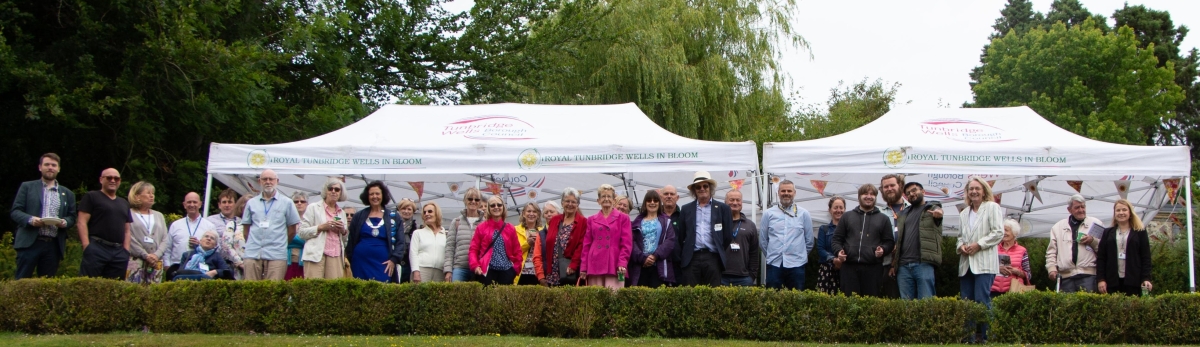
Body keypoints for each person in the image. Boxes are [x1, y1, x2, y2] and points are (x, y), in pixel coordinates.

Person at [10, 153, 76, 279]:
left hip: (53, 245)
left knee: (47, 285)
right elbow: (15, 211)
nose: (50, 167)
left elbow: (72, 217)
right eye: (47, 164)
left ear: (59, 169)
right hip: (30, 242)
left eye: (54, 165)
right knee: (21, 282)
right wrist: (30, 220)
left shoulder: (68, 193)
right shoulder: (27, 187)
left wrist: (64, 222)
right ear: (40, 167)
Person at [956, 176, 1004, 344]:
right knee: (966, 303)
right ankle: (967, 338)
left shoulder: (992, 207)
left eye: (977, 188)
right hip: (966, 264)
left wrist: (979, 245)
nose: (974, 191)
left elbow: (998, 232)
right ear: (967, 193)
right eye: (971, 189)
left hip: (984, 263)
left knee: (982, 300)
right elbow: (960, 237)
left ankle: (987, 337)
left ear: (984, 191)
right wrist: (961, 246)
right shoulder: (963, 213)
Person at [831, 184, 894, 296]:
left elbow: (889, 242)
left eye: (872, 194)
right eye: (865, 194)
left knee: (870, 305)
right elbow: (836, 239)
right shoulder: (847, 216)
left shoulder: (883, 219)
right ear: (859, 196)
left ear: (875, 197)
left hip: (873, 269)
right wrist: (838, 251)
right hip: (849, 268)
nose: (869, 196)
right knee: (849, 304)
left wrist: (883, 249)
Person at [240, 169, 302, 281]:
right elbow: (246, 230)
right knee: (250, 290)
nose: (268, 182)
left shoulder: (287, 202)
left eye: (271, 179)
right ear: (259, 181)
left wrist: (281, 244)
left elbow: (292, 230)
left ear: (277, 181)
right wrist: (253, 243)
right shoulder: (251, 203)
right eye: (264, 179)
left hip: (277, 254)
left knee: (273, 291)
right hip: (253, 253)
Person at [676, 171, 734, 287]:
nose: (702, 189)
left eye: (705, 186)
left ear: (710, 188)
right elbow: (681, 235)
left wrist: (718, 248)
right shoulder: (686, 209)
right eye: (698, 187)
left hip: (712, 257)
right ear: (694, 190)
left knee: (713, 296)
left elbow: (727, 235)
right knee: (690, 295)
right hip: (691, 258)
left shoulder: (723, 208)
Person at [78, 168, 132, 279]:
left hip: (118, 251)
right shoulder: (92, 196)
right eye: (109, 178)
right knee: (89, 285)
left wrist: (125, 251)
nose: (113, 180)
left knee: (114, 288)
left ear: (120, 181)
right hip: (97, 247)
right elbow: (81, 222)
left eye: (116, 178)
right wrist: (86, 246)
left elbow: (127, 230)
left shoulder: (124, 203)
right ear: (101, 179)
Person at [892, 182, 944, 300]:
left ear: (923, 192)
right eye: (908, 193)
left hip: (923, 263)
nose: (911, 194)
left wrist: (939, 214)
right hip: (903, 266)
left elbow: (939, 212)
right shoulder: (903, 214)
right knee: (907, 307)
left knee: (926, 304)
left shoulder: (932, 208)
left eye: (914, 190)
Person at [347, 181, 407, 282]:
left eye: (377, 193)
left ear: (383, 195)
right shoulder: (358, 216)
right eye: (371, 194)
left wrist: (394, 260)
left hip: (384, 264)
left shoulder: (393, 217)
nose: (375, 196)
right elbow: (351, 240)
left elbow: (401, 242)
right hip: (359, 263)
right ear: (367, 196)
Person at [759, 181, 811, 290]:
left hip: (797, 265)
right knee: (772, 301)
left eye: (789, 191)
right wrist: (771, 254)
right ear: (778, 193)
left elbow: (809, 241)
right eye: (783, 191)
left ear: (794, 193)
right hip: (775, 264)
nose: (786, 193)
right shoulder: (768, 214)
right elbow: (763, 240)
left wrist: (800, 256)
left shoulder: (804, 214)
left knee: (796, 300)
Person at [1046, 194, 1103, 293]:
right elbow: (1051, 252)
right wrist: (1051, 268)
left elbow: (1104, 251)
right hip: (1065, 277)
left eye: (1083, 207)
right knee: (1066, 307)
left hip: (1089, 275)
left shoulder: (1096, 223)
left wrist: (1092, 241)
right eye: (1077, 207)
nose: (1081, 210)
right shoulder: (1058, 227)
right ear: (1069, 210)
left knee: (1088, 307)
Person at [1097, 199, 1153, 296]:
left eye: (1124, 210)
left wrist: (1146, 278)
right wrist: (1101, 279)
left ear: (1130, 213)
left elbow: (1146, 257)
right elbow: (1101, 258)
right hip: (1112, 281)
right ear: (1114, 213)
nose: (1121, 213)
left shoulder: (1140, 232)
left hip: (1133, 281)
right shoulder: (1107, 233)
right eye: (1118, 210)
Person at [580, 184, 633, 290]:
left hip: (615, 264)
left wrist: (622, 262)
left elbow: (626, 243)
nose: (606, 199)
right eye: (603, 196)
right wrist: (584, 267)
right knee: (596, 299)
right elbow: (586, 245)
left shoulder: (623, 218)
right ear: (598, 201)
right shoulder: (591, 219)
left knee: (613, 298)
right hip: (594, 263)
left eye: (609, 196)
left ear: (614, 200)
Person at [537, 188, 588, 286]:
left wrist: (573, 265)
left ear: (577, 205)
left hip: (570, 268)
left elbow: (581, 246)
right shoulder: (554, 220)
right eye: (567, 201)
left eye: (573, 202)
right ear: (562, 203)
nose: (570, 204)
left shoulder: (583, 222)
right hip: (553, 268)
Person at [299, 179, 348, 279]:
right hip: (315, 254)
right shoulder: (313, 207)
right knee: (313, 288)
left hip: (336, 255)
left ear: (340, 193)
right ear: (326, 191)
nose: (333, 191)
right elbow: (302, 233)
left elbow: (345, 240)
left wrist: (343, 230)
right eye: (330, 189)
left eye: (337, 189)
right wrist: (321, 227)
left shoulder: (341, 213)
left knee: (333, 289)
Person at [469, 196, 521, 285]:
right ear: (489, 208)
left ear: (503, 207)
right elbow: (473, 249)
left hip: (507, 272)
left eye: (499, 205)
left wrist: (515, 269)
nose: (496, 207)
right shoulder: (481, 227)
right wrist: (475, 266)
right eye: (493, 205)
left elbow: (517, 251)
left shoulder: (510, 228)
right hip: (487, 271)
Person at [628, 190, 676, 287]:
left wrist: (655, 256)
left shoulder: (666, 221)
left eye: (655, 200)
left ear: (659, 203)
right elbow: (631, 242)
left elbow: (670, 241)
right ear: (645, 203)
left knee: (658, 298)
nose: (652, 203)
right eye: (649, 200)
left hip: (659, 266)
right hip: (641, 265)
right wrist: (643, 258)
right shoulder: (636, 222)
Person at [126, 181, 168, 284]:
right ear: (137, 196)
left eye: (153, 193)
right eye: (148, 193)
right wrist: (145, 255)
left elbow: (165, 238)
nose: (151, 196)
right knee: (133, 292)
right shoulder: (128, 213)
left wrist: (156, 255)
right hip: (135, 260)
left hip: (156, 261)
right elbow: (129, 237)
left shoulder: (159, 215)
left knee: (153, 294)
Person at [165, 192, 216, 271]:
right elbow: (167, 248)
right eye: (189, 202)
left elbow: (214, 249)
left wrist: (200, 245)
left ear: (200, 204)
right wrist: (167, 266)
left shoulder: (209, 226)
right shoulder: (175, 225)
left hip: (200, 269)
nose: (192, 205)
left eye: (195, 202)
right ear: (184, 205)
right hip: (177, 267)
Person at [876, 174, 908, 298]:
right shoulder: (878, 212)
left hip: (907, 262)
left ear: (900, 186)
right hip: (886, 263)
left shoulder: (912, 209)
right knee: (891, 302)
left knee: (909, 302)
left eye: (892, 185)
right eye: (886, 187)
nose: (889, 188)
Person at [719, 190, 760, 286]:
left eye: (738, 200)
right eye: (731, 200)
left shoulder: (750, 225)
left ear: (742, 203)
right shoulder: (718, 222)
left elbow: (754, 252)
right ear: (725, 202)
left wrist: (752, 275)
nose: (735, 203)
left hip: (744, 278)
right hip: (721, 276)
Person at [444, 187, 485, 282]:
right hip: (460, 267)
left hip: (479, 268)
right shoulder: (456, 222)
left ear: (480, 202)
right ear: (465, 200)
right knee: (457, 295)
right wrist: (448, 270)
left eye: (477, 199)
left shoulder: (485, 223)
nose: (473, 201)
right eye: (470, 199)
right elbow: (450, 247)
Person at [205, 188, 243, 277]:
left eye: (230, 202)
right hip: (216, 262)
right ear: (219, 205)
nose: (227, 205)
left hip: (236, 264)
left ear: (235, 204)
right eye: (224, 202)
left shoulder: (241, 222)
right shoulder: (210, 221)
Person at [991, 219, 1031, 297]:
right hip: (992, 290)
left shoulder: (1022, 250)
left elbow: (1028, 274)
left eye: (1006, 230)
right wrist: (997, 268)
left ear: (1014, 233)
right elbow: (985, 267)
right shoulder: (993, 248)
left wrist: (1017, 272)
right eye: (1002, 230)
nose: (1004, 233)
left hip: (1014, 291)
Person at [410, 202, 447, 283]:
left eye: (430, 211)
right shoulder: (418, 233)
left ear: (437, 213)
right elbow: (413, 253)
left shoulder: (445, 234)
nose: (426, 214)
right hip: (421, 270)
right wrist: (415, 271)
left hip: (440, 272)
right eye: (424, 212)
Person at [816, 196, 846, 295]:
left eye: (841, 208)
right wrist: (834, 260)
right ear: (830, 210)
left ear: (845, 210)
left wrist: (841, 261)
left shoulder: (849, 229)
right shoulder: (823, 229)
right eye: (835, 207)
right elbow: (820, 249)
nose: (838, 210)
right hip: (827, 270)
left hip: (845, 269)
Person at [514, 202, 543, 285]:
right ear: (523, 214)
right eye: (529, 211)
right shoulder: (515, 230)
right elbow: (513, 253)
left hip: (537, 272)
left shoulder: (543, 231)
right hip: (520, 272)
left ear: (538, 215)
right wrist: (527, 244)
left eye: (534, 212)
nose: (531, 214)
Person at [285, 192, 309, 280]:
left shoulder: (311, 220)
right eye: (296, 201)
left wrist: (293, 238)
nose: (299, 203)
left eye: (302, 201)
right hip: (287, 258)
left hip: (305, 258)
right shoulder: (285, 219)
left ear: (307, 204)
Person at [395, 198, 419, 283]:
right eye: (404, 208)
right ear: (399, 210)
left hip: (409, 264)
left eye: (409, 209)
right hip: (395, 263)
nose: (406, 211)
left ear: (413, 211)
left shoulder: (416, 230)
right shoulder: (393, 226)